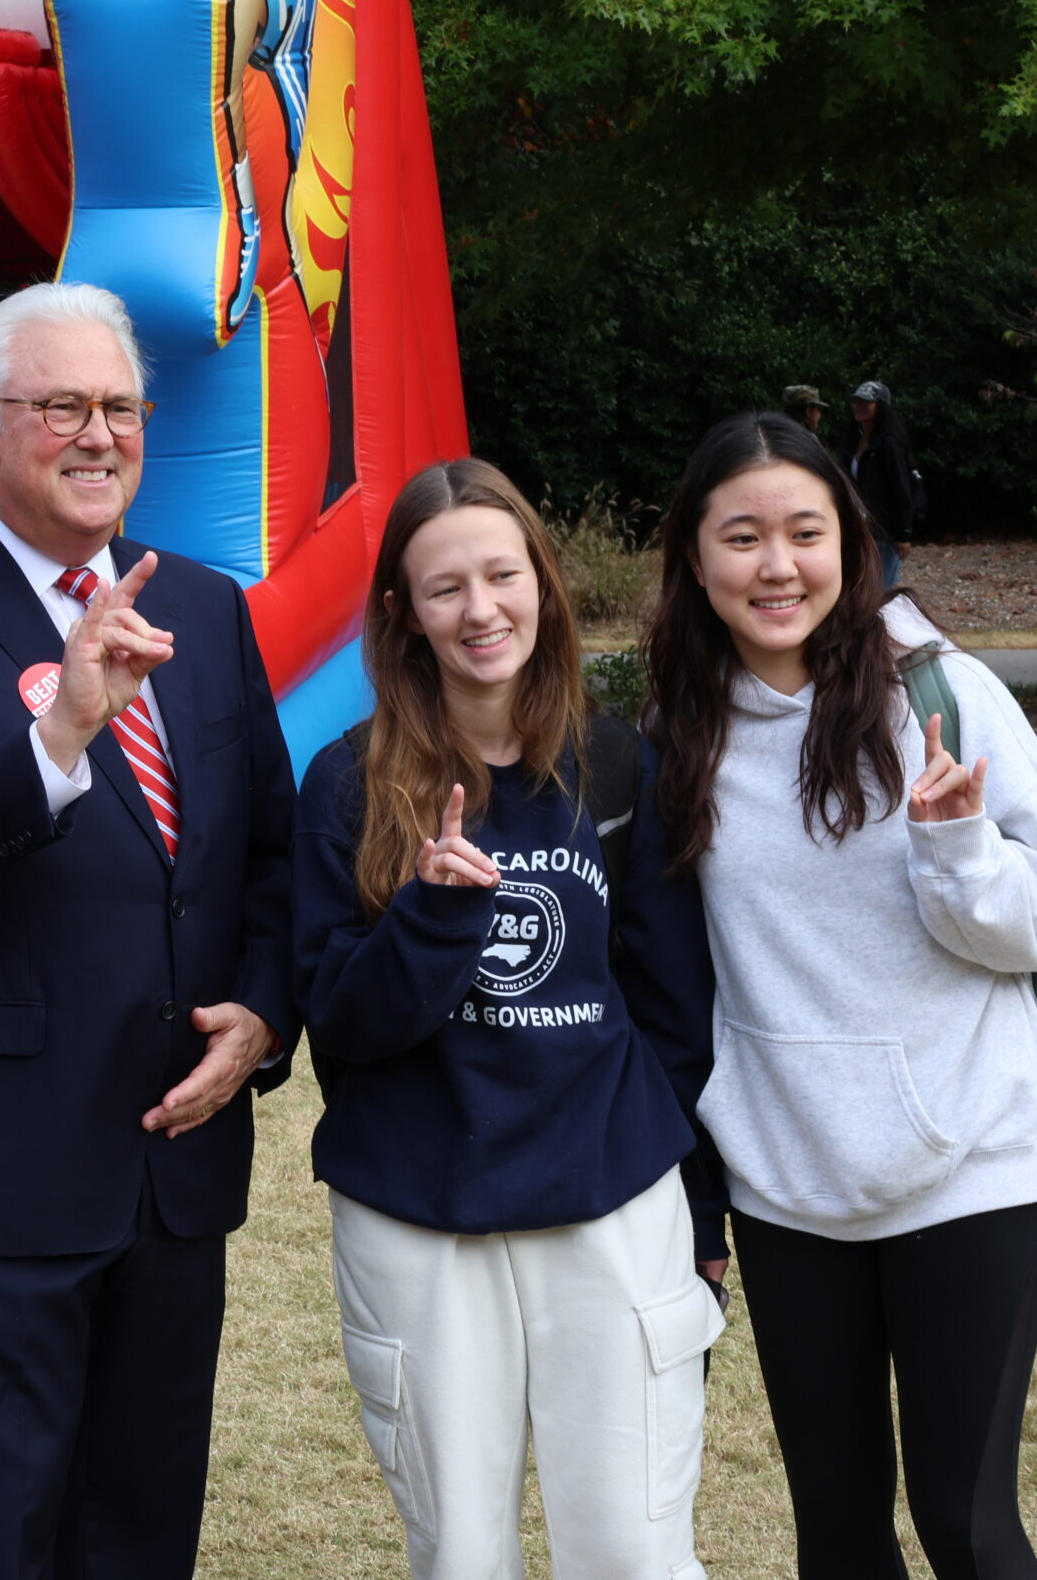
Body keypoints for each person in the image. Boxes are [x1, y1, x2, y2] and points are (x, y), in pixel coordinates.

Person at [0, 280, 298, 1580]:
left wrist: (261, 1015)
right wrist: (60, 731)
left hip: (176, 1160)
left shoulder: (205, 605)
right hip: (3, 1167)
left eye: (120, 405)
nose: (99, 432)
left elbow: (264, 851)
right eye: (62, 406)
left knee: (142, 1531)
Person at [644, 412, 1037, 1580]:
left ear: (847, 544)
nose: (776, 567)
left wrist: (961, 853)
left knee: (966, 1526)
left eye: (805, 532)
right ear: (695, 558)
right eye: (742, 537)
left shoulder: (938, 693)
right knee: (841, 1534)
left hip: (970, 1165)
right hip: (786, 1183)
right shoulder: (675, 726)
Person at [293, 458, 724, 1580]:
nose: (480, 610)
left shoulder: (621, 764)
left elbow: (677, 1023)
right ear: (402, 614)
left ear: (542, 580)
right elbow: (339, 1024)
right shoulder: (346, 786)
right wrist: (432, 915)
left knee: (631, 1551)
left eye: (501, 574)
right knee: (462, 1556)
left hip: (608, 1209)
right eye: (445, 588)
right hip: (421, 1217)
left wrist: (691, 1214)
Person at [846, 379, 917, 585]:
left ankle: (884, 618)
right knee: (865, 585)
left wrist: (903, 535)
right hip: (862, 528)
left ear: (881, 406)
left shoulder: (889, 444)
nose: (859, 406)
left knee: (881, 588)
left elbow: (901, 490)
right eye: (856, 401)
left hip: (884, 531)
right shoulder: (854, 441)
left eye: (866, 402)